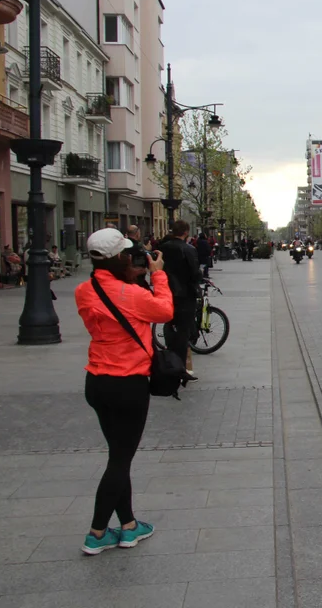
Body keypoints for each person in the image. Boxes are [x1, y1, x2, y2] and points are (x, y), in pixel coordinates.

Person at [74, 228, 172, 555]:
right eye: (127, 254)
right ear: (120, 258)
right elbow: (164, 311)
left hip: (97, 382)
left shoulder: (83, 291)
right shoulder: (132, 295)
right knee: (119, 460)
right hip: (128, 383)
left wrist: (126, 278)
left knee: (119, 455)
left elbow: (110, 297)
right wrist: (158, 276)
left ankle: (128, 526)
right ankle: (97, 532)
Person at [158, 221, 203, 378]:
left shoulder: (163, 247)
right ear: (185, 232)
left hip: (167, 292)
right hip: (184, 294)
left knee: (170, 326)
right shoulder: (188, 249)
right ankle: (181, 369)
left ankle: (169, 360)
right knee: (184, 332)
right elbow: (194, 272)